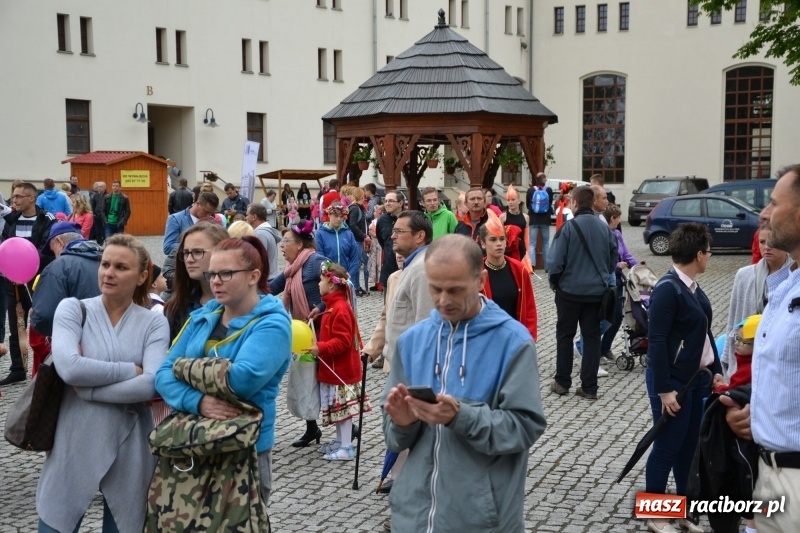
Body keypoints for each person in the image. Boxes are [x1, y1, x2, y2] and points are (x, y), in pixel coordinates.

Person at [381, 233, 547, 532]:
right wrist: (403, 424)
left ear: (481, 279)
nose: (443, 301)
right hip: (414, 518)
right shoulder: (411, 341)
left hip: (480, 520)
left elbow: (524, 427)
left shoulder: (513, 343)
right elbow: (393, 440)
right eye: (435, 288)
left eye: (455, 290)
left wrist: (461, 417)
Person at [37, 234, 170, 533]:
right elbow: (70, 368)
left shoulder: (153, 322)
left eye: (121, 267)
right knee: (56, 522)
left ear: (142, 276)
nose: (109, 273)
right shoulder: (73, 309)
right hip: (75, 437)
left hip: (132, 443)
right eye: (105, 264)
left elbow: (150, 384)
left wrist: (89, 389)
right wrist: (130, 370)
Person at [156, 236, 291, 510]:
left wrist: (184, 366)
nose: (215, 281)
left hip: (244, 446)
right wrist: (199, 402)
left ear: (254, 276)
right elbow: (162, 375)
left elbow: (240, 381)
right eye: (212, 274)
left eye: (226, 273)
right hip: (193, 441)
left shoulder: (273, 324)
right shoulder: (204, 316)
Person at [723, 164, 800, 532]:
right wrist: (756, 413)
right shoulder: (785, 287)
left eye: (773, 203)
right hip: (769, 477)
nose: (764, 214)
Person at [644, 223, 722, 533]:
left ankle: (680, 512)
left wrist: (716, 371)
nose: (710, 256)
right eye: (709, 251)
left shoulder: (691, 287)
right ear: (699, 254)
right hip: (673, 383)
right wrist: (664, 390)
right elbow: (658, 341)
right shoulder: (667, 288)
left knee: (688, 449)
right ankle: (654, 514)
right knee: (666, 447)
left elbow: (704, 331)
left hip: (696, 381)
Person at [547, 186, 617, 400]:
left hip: (569, 292)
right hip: (596, 294)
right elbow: (612, 260)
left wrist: (556, 284)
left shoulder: (567, 229)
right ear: (591, 202)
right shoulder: (605, 229)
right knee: (592, 337)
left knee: (565, 336)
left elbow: (554, 262)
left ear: (575, 204)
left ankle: (562, 382)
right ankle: (589, 387)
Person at [268, 220, 330, 447]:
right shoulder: (291, 270)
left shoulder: (316, 262)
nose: (281, 246)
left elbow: (340, 287)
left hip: (323, 331)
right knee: (305, 380)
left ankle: (347, 426)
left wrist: (321, 308)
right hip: (303, 332)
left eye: (286, 241)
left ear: (301, 244)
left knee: (326, 380)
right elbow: (269, 289)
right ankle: (312, 428)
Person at [308, 261, 371, 460]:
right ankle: (339, 442)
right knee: (338, 411)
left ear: (332, 284)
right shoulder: (332, 306)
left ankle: (347, 447)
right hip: (334, 370)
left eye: (321, 280)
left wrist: (321, 348)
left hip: (341, 371)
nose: (318, 283)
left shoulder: (340, 308)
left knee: (343, 412)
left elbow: (343, 341)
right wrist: (318, 316)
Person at [1, 182, 56, 386]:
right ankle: (18, 368)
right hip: (12, 282)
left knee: (41, 324)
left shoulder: (46, 220)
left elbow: (46, 250)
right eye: (13, 196)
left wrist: (29, 273)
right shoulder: (11, 220)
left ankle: (46, 363)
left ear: (31, 198)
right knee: (17, 325)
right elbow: (6, 247)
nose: (13, 200)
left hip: (37, 282)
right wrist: (11, 273)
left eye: (18, 196)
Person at [30, 222, 102, 376]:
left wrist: (34, 317)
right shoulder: (109, 260)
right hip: (113, 345)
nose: (54, 255)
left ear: (59, 242)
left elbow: (45, 317)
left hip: (77, 352)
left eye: (52, 249)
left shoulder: (59, 266)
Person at [369, 210, 434, 375]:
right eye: (393, 231)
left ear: (419, 236)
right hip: (402, 366)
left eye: (399, 231)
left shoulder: (422, 269)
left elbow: (426, 327)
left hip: (411, 370)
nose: (392, 236)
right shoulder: (412, 266)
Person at [721, 225, 789, 378]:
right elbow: (733, 319)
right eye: (762, 242)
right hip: (745, 359)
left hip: (778, 361)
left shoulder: (794, 278)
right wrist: (727, 360)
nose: (766, 247)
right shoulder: (744, 275)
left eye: (772, 242)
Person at [162, 222, 229, 341]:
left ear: (222, 252)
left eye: (198, 252)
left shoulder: (243, 304)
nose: (189, 260)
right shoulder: (177, 307)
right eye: (186, 253)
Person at [479, 212, 537, 341]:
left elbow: (529, 307)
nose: (499, 244)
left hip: (514, 338)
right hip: (486, 339)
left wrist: (529, 338)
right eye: (493, 239)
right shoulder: (476, 272)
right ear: (483, 243)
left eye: (502, 239)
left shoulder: (519, 270)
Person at [600, 203, 638, 360]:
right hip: (608, 278)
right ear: (612, 218)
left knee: (617, 317)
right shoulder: (603, 234)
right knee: (607, 317)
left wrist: (638, 265)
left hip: (618, 279)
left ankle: (605, 347)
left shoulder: (617, 234)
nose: (619, 222)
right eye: (618, 219)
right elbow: (602, 259)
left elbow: (626, 254)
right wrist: (617, 265)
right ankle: (585, 346)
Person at [162, 192, 220, 292]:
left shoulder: (212, 222)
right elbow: (167, 247)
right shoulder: (176, 219)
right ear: (198, 203)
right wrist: (191, 247)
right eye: (206, 211)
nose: (208, 215)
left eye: (211, 213)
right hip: (182, 274)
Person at [315, 202, 361, 291]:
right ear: (329, 215)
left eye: (341, 216)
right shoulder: (320, 234)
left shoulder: (349, 234)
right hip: (328, 281)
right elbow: (319, 257)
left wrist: (348, 275)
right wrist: (330, 275)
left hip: (345, 280)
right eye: (336, 216)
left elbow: (354, 258)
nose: (339, 219)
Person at [246, 202, 281, 281]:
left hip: (264, 278)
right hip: (269, 276)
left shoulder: (260, 233)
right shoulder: (266, 231)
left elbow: (259, 259)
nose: (246, 217)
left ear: (254, 217)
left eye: (247, 215)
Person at [526, 172, 553, 269]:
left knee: (532, 243)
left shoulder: (530, 190)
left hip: (533, 219)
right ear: (543, 179)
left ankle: (532, 265)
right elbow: (550, 204)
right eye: (545, 178)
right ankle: (547, 266)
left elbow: (528, 205)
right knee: (546, 243)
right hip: (545, 220)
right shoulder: (548, 190)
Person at [376, 191, 403, 287]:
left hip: (405, 267)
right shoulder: (382, 220)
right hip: (389, 267)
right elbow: (382, 241)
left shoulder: (408, 218)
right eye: (386, 201)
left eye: (391, 201)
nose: (387, 203)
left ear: (400, 203)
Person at [500, 184, 530, 265]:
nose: (510, 202)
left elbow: (526, 237)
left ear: (519, 201)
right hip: (508, 250)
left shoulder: (526, 217)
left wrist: (528, 253)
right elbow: (500, 235)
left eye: (513, 199)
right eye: (508, 200)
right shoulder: (503, 217)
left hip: (521, 249)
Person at [367, 204, 385, 291]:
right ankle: (376, 282)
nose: (373, 213)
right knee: (374, 263)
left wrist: (373, 234)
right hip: (374, 244)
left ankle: (380, 283)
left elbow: (380, 234)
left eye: (375, 211)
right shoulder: (375, 221)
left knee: (379, 262)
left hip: (379, 244)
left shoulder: (380, 221)